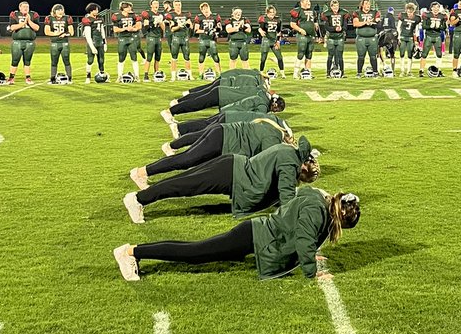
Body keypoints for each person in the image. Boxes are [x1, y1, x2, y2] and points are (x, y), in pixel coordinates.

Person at [114, 188, 360, 282]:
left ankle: (134, 251)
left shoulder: (318, 199)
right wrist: (313, 273)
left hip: (257, 232)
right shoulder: (317, 213)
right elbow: (305, 240)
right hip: (254, 237)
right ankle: (131, 252)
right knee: (195, 252)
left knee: (197, 250)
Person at [123, 136, 320, 224]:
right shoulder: (290, 165)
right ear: (302, 169)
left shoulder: (289, 151)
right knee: (183, 185)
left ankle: (140, 197)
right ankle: (138, 199)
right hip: (231, 175)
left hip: (232, 163)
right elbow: (286, 198)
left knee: (183, 180)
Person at [130, 116, 292, 187]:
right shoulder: (274, 138)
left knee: (187, 161)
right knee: (185, 160)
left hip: (221, 133)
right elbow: (264, 162)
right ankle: (141, 172)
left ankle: (145, 173)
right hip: (222, 140)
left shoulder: (270, 128)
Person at [6, 0, 41, 85]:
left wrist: (29, 21)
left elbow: (37, 28)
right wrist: (24, 23)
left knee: (27, 61)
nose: (26, 8)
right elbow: (12, 27)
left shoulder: (34, 15)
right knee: (15, 60)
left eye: (27, 7)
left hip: (30, 42)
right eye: (24, 7)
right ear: (20, 8)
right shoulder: (14, 14)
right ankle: (11, 78)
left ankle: (28, 78)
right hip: (17, 42)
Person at [111, 0, 142, 82]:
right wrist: (124, 28)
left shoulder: (133, 15)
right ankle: (119, 76)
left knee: (134, 58)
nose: (129, 8)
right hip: (122, 38)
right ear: (123, 8)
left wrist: (134, 28)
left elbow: (139, 25)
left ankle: (137, 76)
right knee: (121, 58)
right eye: (127, 7)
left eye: (129, 7)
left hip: (131, 38)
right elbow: (115, 29)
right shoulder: (117, 16)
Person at [290, 0, 319, 79]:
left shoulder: (313, 12)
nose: (309, 3)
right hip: (302, 36)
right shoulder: (297, 11)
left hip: (311, 35)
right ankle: (295, 73)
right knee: (301, 53)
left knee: (309, 54)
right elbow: (292, 24)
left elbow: (315, 21)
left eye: (309, 1)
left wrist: (316, 26)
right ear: (301, 3)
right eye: (306, 1)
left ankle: (308, 72)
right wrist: (300, 30)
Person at [44, 4, 75, 82]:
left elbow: (71, 32)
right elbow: (47, 32)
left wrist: (65, 34)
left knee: (66, 60)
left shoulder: (67, 18)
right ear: (54, 11)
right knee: (54, 61)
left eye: (62, 10)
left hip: (64, 43)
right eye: (58, 10)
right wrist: (57, 34)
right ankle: (52, 78)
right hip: (54, 43)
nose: (60, 12)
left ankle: (69, 78)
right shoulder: (49, 18)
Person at [352, 0, 381, 76]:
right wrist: (366, 22)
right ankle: (359, 72)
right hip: (361, 38)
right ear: (362, 5)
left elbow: (378, 24)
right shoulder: (357, 12)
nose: (368, 5)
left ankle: (375, 72)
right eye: (366, 4)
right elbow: (355, 24)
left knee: (373, 56)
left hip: (372, 38)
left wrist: (372, 23)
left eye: (369, 4)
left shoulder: (375, 12)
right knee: (361, 56)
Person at [164, 0, 193, 80]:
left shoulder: (186, 14)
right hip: (176, 38)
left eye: (179, 5)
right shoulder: (171, 15)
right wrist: (179, 26)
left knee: (187, 57)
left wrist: (189, 24)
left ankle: (190, 76)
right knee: (174, 57)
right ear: (173, 6)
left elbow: (191, 26)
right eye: (176, 5)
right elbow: (172, 29)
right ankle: (173, 77)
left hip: (185, 38)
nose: (178, 6)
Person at [320, 0, 347, 77]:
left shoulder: (343, 13)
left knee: (340, 56)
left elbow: (345, 25)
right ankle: (328, 73)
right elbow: (326, 27)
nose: (336, 8)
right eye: (334, 6)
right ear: (331, 7)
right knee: (330, 55)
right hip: (331, 37)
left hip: (340, 37)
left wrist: (341, 28)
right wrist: (334, 29)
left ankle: (342, 72)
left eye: (337, 6)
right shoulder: (327, 14)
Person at [194, 3, 222, 79]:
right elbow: (196, 30)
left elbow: (220, 28)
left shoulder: (215, 16)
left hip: (211, 40)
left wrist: (214, 30)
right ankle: (200, 74)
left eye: (206, 8)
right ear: (201, 10)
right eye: (203, 9)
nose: (205, 10)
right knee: (201, 58)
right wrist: (204, 31)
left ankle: (219, 74)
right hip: (203, 40)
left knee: (216, 57)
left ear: (209, 8)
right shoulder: (199, 17)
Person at [141, 0, 166, 81]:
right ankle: (146, 74)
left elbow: (163, 28)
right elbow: (146, 26)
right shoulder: (148, 13)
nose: (156, 5)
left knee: (158, 57)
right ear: (151, 5)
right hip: (151, 36)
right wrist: (153, 23)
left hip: (158, 37)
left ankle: (156, 73)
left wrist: (160, 22)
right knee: (149, 57)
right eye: (154, 3)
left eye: (157, 3)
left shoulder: (160, 14)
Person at [419, 2, 447, 77]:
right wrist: (430, 26)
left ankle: (439, 70)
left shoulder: (442, 16)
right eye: (434, 7)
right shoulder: (427, 15)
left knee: (439, 54)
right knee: (424, 54)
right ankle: (421, 70)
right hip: (429, 36)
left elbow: (444, 28)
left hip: (437, 36)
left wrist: (439, 27)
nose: (436, 9)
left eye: (437, 7)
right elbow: (424, 26)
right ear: (431, 8)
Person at [258, 4, 286, 76]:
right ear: (267, 13)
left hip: (274, 40)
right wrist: (260, 31)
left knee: (279, 57)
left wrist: (278, 41)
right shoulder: (263, 19)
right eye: (270, 12)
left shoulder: (278, 19)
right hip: (266, 40)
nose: (272, 14)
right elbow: (260, 28)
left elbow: (279, 31)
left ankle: (282, 73)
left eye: (273, 12)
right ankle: (261, 72)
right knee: (263, 58)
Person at [82, 3, 106, 81]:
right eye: (95, 10)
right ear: (90, 10)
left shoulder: (100, 18)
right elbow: (88, 35)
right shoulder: (87, 19)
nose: (97, 11)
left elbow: (102, 30)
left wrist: (105, 42)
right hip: (92, 41)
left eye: (97, 9)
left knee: (101, 60)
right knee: (90, 60)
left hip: (100, 42)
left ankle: (102, 74)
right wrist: (92, 47)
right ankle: (88, 76)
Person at [396, 3, 420, 77]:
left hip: (410, 38)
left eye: (411, 11)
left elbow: (416, 30)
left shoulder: (417, 18)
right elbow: (398, 27)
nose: (409, 13)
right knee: (402, 54)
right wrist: (398, 37)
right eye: (408, 11)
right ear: (406, 10)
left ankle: (409, 71)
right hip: (403, 37)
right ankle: (402, 71)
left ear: (413, 11)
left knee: (410, 55)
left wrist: (416, 40)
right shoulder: (402, 15)